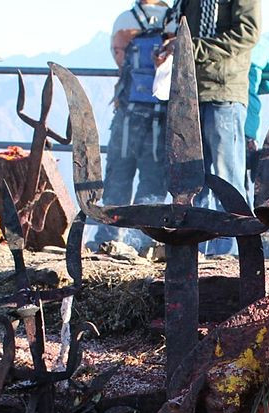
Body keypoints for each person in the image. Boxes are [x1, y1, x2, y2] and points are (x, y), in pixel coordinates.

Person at [173, 0, 261, 255]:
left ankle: (231, 247)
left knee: (227, 174)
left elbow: (247, 32)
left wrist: (193, 48)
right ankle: (196, 246)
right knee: (192, 174)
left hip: (224, 91)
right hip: (190, 90)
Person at [93, 1, 173, 250]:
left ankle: (108, 236)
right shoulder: (173, 20)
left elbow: (119, 57)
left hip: (128, 113)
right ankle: (143, 241)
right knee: (152, 180)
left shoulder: (125, 20)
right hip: (161, 114)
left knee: (118, 175)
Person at [244, 39, 269, 185]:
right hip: (249, 122)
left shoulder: (215, 37)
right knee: (239, 175)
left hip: (213, 113)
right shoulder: (260, 42)